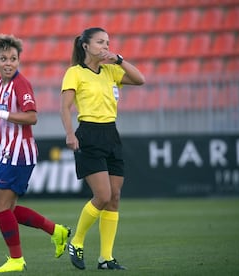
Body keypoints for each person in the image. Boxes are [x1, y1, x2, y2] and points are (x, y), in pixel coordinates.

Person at [0, 34, 71, 273]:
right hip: (7, 152)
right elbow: (2, 110)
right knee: (7, 208)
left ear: (19, 61)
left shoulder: (21, 84)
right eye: (4, 58)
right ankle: (56, 231)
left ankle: (16, 259)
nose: (8, 62)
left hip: (19, 154)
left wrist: (0, 115)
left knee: (0, 206)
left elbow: (32, 117)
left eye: (13, 59)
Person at [60, 27, 145, 270]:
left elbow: (141, 79)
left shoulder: (111, 70)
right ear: (85, 46)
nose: (105, 46)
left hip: (111, 134)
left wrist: (119, 59)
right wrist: (69, 133)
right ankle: (76, 241)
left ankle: (105, 258)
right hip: (88, 134)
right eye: (100, 42)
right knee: (103, 196)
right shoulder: (75, 73)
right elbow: (65, 107)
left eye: (107, 42)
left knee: (115, 198)